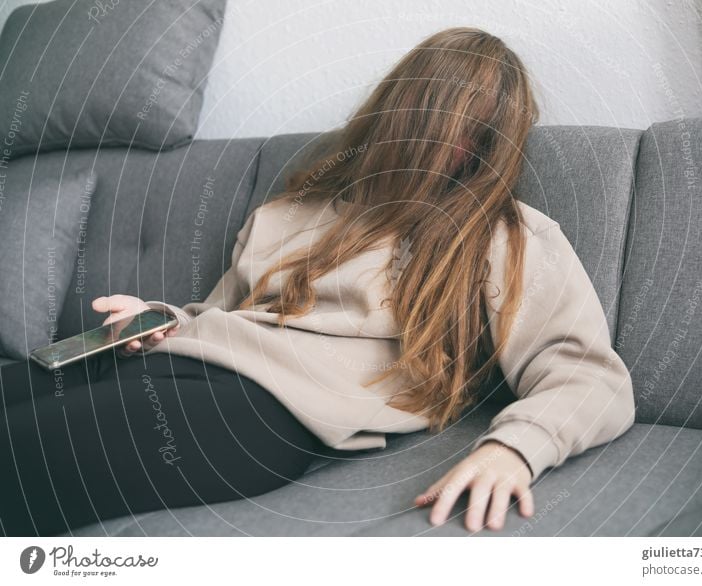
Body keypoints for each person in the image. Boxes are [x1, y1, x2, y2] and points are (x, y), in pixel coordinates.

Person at [0, 27, 635, 536]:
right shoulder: (291, 210)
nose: (440, 144)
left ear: (487, 146)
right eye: (426, 116)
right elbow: (221, 316)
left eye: (467, 133)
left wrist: (516, 449)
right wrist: (155, 318)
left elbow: (588, 375)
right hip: (166, 362)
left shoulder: (505, 235)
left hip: (256, 409)